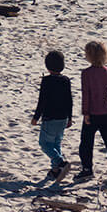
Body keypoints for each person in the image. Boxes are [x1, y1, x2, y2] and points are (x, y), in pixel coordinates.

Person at [77, 39, 107, 183]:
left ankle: (87, 169)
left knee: (86, 143)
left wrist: (85, 113)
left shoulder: (86, 73)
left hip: (92, 114)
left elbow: (86, 94)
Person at [31, 49, 73, 178]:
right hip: (63, 118)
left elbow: (42, 101)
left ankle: (60, 163)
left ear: (47, 67)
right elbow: (69, 100)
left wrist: (36, 117)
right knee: (56, 143)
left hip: (50, 117)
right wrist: (70, 118)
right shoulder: (65, 80)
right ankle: (55, 170)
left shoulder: (47, 81)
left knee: (44, 144)